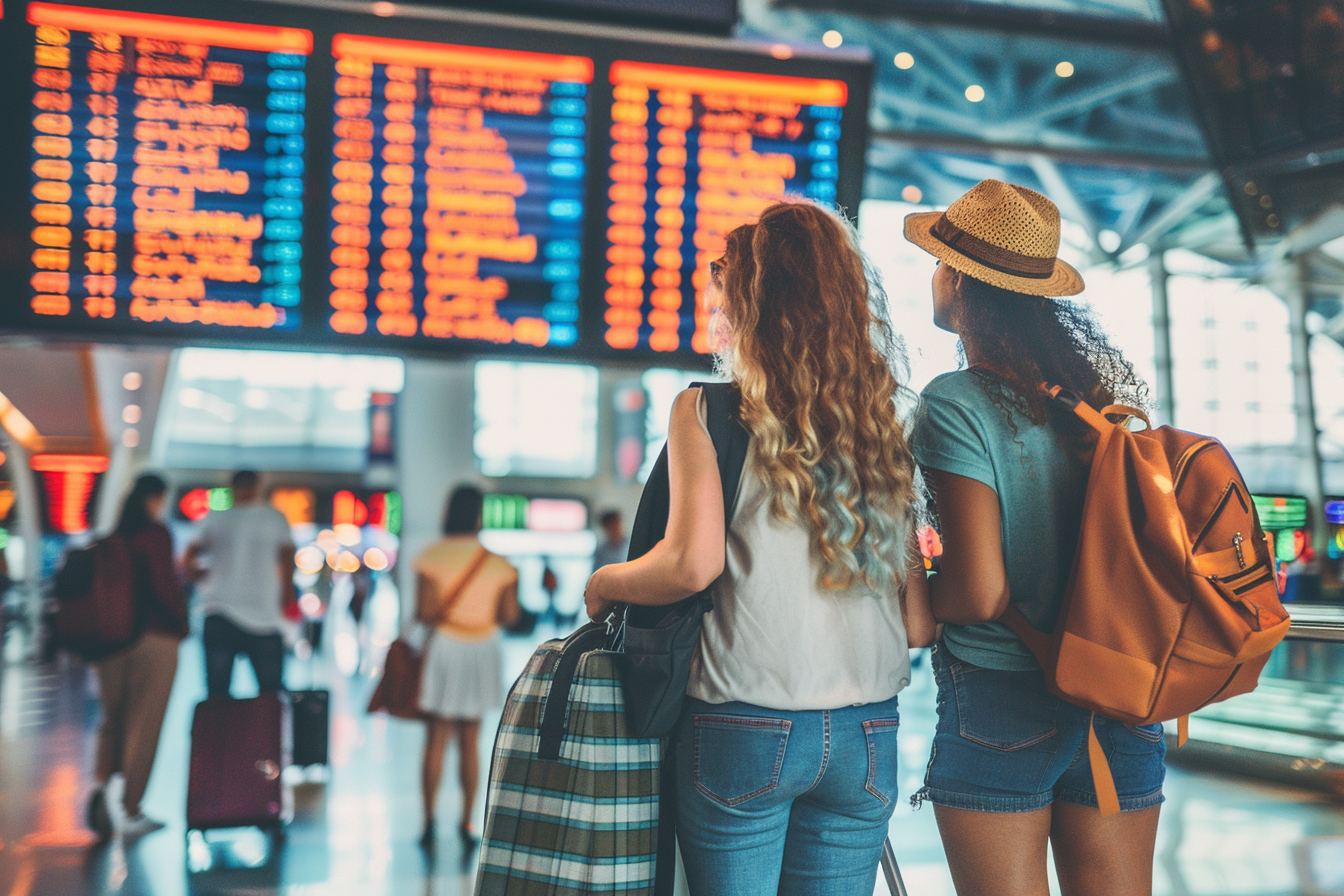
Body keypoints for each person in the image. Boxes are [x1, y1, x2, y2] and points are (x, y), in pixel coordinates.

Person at [584, 200, 936, 896]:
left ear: (752, 306)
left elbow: (691, 563)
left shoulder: (707, 411)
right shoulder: (882, 426)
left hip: (744, 724)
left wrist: (607, 583)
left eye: (723, 300)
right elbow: (920, 624)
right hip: (866, 731)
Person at [902, 179, 1160, 896]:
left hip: (1004, 695)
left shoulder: (956, 403)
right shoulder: (1100, 405)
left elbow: (981, 591)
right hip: (1120, 693)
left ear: (957, 279)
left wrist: (910, 586)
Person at [414, 485, 521, 851]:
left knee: (437, 738)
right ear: (479, 515)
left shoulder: (431, 557)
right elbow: (510, 615)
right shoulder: (499, 564)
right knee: (472, 740)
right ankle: (466, 821)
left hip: (446, 646)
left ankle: (428, 822)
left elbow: (424, 613)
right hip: (483, 649)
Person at [87, 473, 188, 841]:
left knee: (113, 719)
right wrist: (182, 624)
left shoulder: (113, 537)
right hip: (153, 637)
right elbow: (165, 585)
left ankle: (101, 791)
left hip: (108, 640)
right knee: (144, 723)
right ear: (156, 497)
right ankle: (132, 810)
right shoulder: (155, 534)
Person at [184, 470, 296, 698]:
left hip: (219, 611)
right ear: (259, 486)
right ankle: (264, 734)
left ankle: (220, 734)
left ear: (231, 487)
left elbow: (188, 558)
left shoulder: (216, 518)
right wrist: (288, 596)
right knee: (270, 694)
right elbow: (287, 560)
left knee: (217, 694)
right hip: (264, 615)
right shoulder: (274, 518)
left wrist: (200, 575)